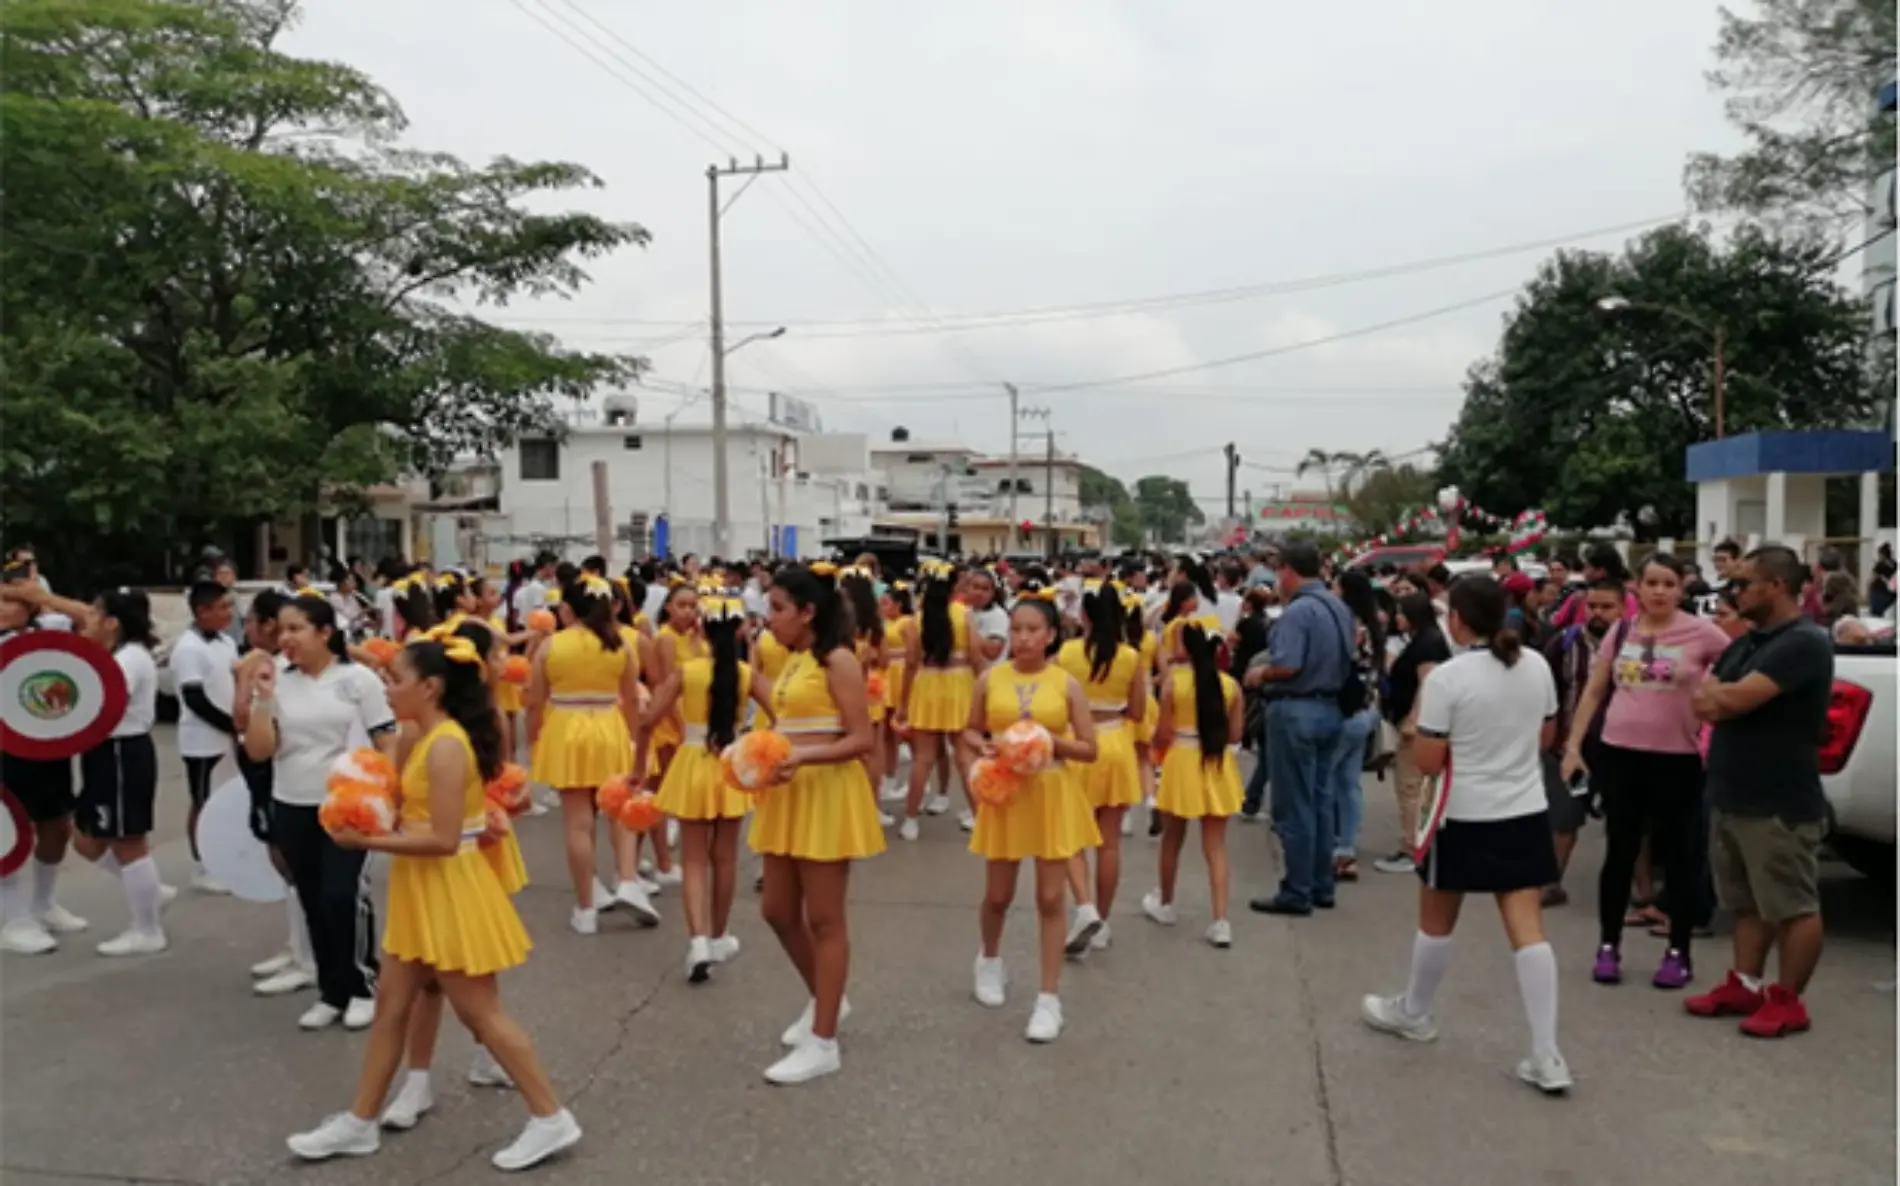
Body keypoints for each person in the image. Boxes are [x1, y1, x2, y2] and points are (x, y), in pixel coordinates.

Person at [287, 632, 580, 1170]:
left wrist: (365, 840)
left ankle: (550, 1115)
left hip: (448, 886)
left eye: (396, 679)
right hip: (422, 887)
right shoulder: (425, 736)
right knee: (391, 1007)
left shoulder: (446, 745)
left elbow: (444, 838)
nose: (387, 685)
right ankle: (360, 1120)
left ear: (430, 686)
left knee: (483, 1016)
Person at [1360, 576, 1572, 1095]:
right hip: (1523, 811)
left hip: (1461, 814)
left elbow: (1429, 759)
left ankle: (1416, 1010)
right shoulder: (1537, 664)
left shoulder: (1449, 679)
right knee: (1528, 929)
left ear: (1456, 617)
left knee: (1436, 920)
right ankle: (1547, 1052)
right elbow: (1546, 737)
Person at [1561, 554, 1730, 989]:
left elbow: (1736, 673)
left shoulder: (1702, 633)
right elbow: (1595, 690)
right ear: (1637, 587)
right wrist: (1574, 746)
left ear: (1680, 588)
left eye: (1669, 583)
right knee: (1620, 853)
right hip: (1621, 754)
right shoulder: (1621, 632)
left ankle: (1678, 951)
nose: (1659, 591)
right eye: (1651, 582)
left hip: (1678, 759)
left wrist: (1711, 710)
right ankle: (1608, 946)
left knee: (1679, 856)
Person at [1685, 545, 1834, 1038]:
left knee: (1790, 904)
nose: (1734, 592)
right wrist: (1724, 700)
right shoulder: (1747, 642)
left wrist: (1725, 699)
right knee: (1745, 901)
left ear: (1775, 585)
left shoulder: (1803, 643)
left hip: (1779, 799)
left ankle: (1789, 999)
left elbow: (1738, 697)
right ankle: (1744, 983)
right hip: (1732, 791)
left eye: (1743, 583)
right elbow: (1706, 698)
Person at [747, 564, 884, 1085]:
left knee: (826, 918)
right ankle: (828, 999)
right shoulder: (795, 657)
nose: (770, 618)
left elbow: (861, 738)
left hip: (824, 790)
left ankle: (824, 1040)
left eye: (779, 608)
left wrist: (802, 758)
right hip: (787, 791)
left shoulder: (839, 659)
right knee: (777, 910)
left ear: (808, 612)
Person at [243, 595, 398, 1031]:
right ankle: (331, 991)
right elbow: (259, 750)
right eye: (282, 630)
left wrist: (390, 796)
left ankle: (362, 984)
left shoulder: (357, 680)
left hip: (348, 806)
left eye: (296, 629)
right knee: (311, 898)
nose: (285, 638)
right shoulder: (279, 680)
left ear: (325, 632)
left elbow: (387, 739)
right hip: (291, 800)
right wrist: (263, 699)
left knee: (343, 895)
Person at [965, 589, 1100, 1041]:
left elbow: (1088, 748)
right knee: (998, 894)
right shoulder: (990, 678)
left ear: (1050, 636)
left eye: (1032, 630)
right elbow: (970, 728)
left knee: (1049, 898)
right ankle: (988, 960)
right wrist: (983, 748)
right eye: (1016, 629)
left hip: (1050, 791)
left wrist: (1048, 742)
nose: (1021, 638)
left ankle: (1048, 998)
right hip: (1005, 792)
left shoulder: (1066, 684)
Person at [527, 575, 657, 933]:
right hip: (608, 725)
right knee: (619, 810)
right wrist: (632, 740)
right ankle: (628, 879)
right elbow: (631, 698)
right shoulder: (620, 645)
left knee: (578, 821)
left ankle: (586, 907)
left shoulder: (551, 646)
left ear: (568, 609)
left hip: (566, 728)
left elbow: (534, 699)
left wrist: (534, 737)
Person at [638, 594, 755, 982]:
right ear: (739, 629)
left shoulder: (687, 672)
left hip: (690, 760)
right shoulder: (744, 674)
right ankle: (720, 935)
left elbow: (648, 719)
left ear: (701, 628)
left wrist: (639, 769)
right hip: (731, 766)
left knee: (692, 860)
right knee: (724, 857)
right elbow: (779, 715)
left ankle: (698, 940)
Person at [1246, 542, 1354, 916]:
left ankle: (1297, 889)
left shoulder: (1298, 613)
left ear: (1290, 571)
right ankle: (1322, 884)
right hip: (1331, 708)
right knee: (1322, 800)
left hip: (1296, 709)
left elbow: (1289, 665)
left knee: (1294, 805)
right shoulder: (1337, 606)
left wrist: (1261, 673)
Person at [0, 578, 101, 954]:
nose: (5, 607)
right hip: (5, 747)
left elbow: (93, 619)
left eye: (12, 600)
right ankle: (13, 919)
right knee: (7, 830)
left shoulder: (50, 631)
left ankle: (43, 903)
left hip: (49, 744)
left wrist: (43, 597)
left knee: (56, 825)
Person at [68, 589, 166, 955]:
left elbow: (99, 703)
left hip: (123, 752)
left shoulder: (128, 660)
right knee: (86, 840)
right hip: (104, 753)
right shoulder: (116, 654)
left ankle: (148, 928)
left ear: (113, 623)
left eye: (95, 614)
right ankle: (149, 889)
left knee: (128, 841)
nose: (87, 619)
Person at [1055, 584, 1145, 955]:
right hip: (1115, 743)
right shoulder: (1130, 657)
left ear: (1086, 616)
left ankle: (1083, 905)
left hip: (1077, 742)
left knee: (1072, 835)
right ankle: (1103, 923)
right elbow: (1138, 711)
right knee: (1109, 842)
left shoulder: (1068, 652)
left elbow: (1057, 702)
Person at [1144, 623, 1242, 947]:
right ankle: (1221, 919)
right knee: (1216, 847)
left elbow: (1162, 732)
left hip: (1182, 760)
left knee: (1172, 838)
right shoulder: (1230, 686)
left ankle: (1166, 902)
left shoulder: (1174, 684)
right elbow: (1235, 735)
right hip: (1216, 764)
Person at [1538, 579, 1624, 905]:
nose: (1598, 613)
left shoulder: (1636, 647)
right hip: (1568, 749)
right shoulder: (1563, 644)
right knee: (1563, 816)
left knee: (1629, 824)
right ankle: (1551, 882)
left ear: (1622, 609)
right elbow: (1547, 694)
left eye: (1607, 607)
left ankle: (1642, 893)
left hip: (1620, 751)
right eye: (1592, 606)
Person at [898, 562, 984, 840]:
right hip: (960, 685)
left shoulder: (916, 620)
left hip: (927, 685)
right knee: (965, 757)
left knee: (922, 759)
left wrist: (903, 703)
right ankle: (981, 819)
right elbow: (975, 655)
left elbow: (910, 662)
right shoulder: (965, 615)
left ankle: (910, 820)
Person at [1371, 592, 1450, 875]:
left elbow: (1428, 684)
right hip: (1407, 718)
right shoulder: (1422, 640)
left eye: (1402, 613)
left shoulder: (1428, 644)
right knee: (1411, 787)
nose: (1397, 618)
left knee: (1410, 787)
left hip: (1415, 725)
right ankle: (1414, 842)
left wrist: (1414, 720)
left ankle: (1413, 846)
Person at [170, 581, 241, 895]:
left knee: (225, 799)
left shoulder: (226, 642)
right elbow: (195, 698)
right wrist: (231, 725)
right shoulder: (188, 648)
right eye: (223, 607)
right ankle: (202, 866)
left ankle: (223, 856)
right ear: (202, 611)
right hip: (202, 739)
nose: (229, 613)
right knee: (202, 800)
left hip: (227, 736)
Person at [1328, 570, 1384, 883]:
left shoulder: (1348, 624)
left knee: (1324, 781)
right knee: (1349, 783)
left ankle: (1329, 850)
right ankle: (1346, 847)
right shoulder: (1375, 624)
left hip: (1345, 711)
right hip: (1367, 708)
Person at [1868, 541, 1896, 617]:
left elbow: (1873, 578)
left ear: (1882, 554)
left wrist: (1868, 586)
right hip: (1891, 594)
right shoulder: (1895, 564)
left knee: (1876, 615)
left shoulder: (1879, 565)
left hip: (1878, 592)